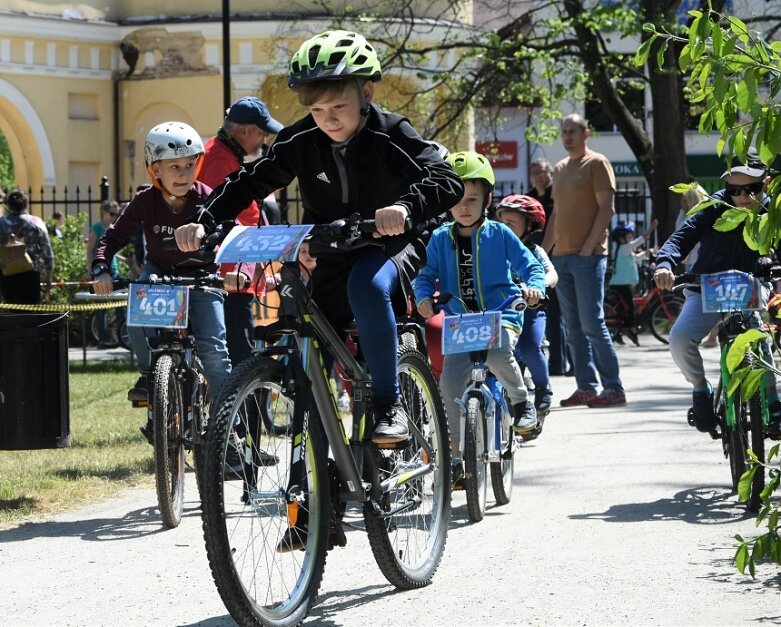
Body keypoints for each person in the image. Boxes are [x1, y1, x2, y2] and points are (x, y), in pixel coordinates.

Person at [174, 30, 463, 445]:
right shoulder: (301, 139)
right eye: (318, 109)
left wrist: (404, 209)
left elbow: (445, 178)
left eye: (339, 106)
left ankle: (388, 405)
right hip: (332, 248)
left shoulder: (390, 132)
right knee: (311, 339)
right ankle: (314, 484)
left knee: (366, 286)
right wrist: (204, 219)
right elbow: (247, 182)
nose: (328, 118)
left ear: (366, 92)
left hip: (391, 244)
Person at [92, 121, 232, 439]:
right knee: (137, 316)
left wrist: (237, 271)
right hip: (160, 274)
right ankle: (150, 380)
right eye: (174, 167)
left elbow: (231, 232)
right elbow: (112, 238)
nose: (183, 174)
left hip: (202, 277)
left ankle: (227, 426)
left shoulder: (208, 198)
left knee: (213, 351)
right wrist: (100, 268)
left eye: (189, 165)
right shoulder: (145, 201)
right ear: (154, 170)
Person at [413, 151, 546, 459]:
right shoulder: (438, 238)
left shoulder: (500, 233)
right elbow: (425, 275)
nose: (464, 207)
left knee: (498, 352)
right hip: (461, 323)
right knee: (448, 383)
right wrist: (422, 297)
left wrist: (534, 288)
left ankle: (521, 402)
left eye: (472, 199)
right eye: (457, 199)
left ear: (487, 200)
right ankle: (458, 455)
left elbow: (531, 267)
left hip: (503, 314)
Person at [653, 149, 781, 437]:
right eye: (734, 190)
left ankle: (773, 400)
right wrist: (664, 265)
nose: (743, 197)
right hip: (706, 287)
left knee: (759, 339)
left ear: (768, 183)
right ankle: (700, 388)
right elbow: (680, 238)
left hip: (751, 286)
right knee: (679, 338)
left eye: (753, 189)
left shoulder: (773, 213)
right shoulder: (713, 207)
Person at [542, 113, 626, 408]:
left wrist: (589, 247)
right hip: (562, 260)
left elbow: (607, 209)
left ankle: (614, 388)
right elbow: (556, 214)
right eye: (563, 132)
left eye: (572, 132)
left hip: (588, 259)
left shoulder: (598, 163)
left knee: (593, 324)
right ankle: (586, 387)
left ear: (585, 133)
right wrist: (543, 253)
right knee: (573, 328)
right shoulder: (560, 168)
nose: (566, 137)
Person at [199, 96, 284, 368]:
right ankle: (244, 410)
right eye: (262, 133)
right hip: (230, 277)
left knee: (244, 353)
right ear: (244, 130)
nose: (264, 141)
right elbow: (220, 218)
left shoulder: (224, 155)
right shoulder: (218, 160)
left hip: (239, 273)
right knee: (241, 358)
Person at [495, 194, 557, 416]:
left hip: (529, 310)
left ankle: (543, 387)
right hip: (499, 311)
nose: (504, 228)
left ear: (529, 226)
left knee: (530, 347)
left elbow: (551, 273)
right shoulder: (492, 248)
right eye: (501, 222)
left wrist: (538, 289)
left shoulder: (534, 251)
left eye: (511, 224)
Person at [529, 157, 571, 376]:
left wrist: (543, 254)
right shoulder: (529, 198)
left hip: (555, 259)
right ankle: (556, 363)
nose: (539, 176)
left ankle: (562, 363)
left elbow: (558, 227)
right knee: (548, 315)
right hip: (533, 262)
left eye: (543, 172)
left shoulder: (557, 196)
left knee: (561, 314)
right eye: (535, 172)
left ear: (550, 174)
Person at [608, 219, 658, 346]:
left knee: (621, 309)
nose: (631, 237)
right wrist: (651, 228)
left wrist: (646, 254)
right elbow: (642, 239)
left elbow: (636, 258)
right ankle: (630, 330)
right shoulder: (625, 248)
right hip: (621, 284)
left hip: (620, 284)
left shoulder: (625, 250)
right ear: (621, 239)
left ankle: (618, 333)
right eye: (629, 236)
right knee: (630, 308)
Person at [0, 188, 53, 305]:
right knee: (30, 314)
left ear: (8, 205)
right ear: (26, 204)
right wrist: (48, 275)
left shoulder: (1, 222)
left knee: (12, 313)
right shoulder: (36, 222)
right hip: (30, 274)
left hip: (7, 273)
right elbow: (47, 250)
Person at [88, 200, 124, 348]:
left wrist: (124, 259)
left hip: (113, 270)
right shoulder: (96, 228)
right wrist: (90, 270)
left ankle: (121, 339)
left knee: (120, 306)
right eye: (112, 214)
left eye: (117, 214)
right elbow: (90, 250)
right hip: (101, 271)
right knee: (101, 308)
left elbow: (112, 251)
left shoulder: (113, 228)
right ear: (104, 212)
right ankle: (102, 340)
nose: (115, 217)